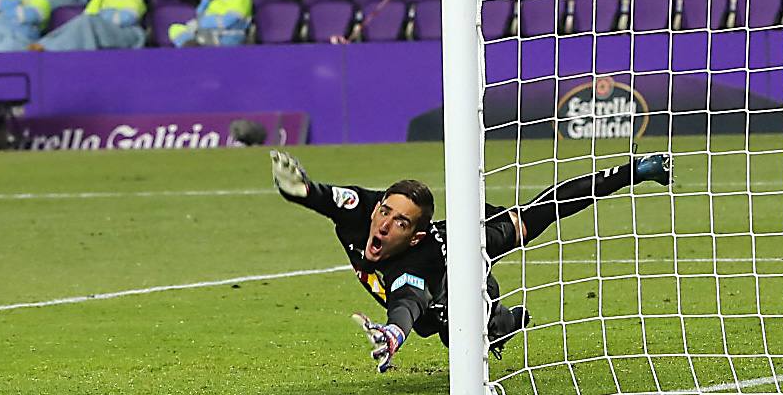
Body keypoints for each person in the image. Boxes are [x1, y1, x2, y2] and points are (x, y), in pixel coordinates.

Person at [270, 149, 673, 372]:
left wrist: (630, 173)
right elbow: (319, 194)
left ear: (417, 235)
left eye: (402, 222)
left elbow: (407, 303)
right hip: (426, 294)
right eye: (386, 213)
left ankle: (503, 322)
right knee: (444, 326)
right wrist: (298, 189)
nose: (387, 225)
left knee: (452, 328)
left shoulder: (440, 250)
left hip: (466, 288)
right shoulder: (361, 210)